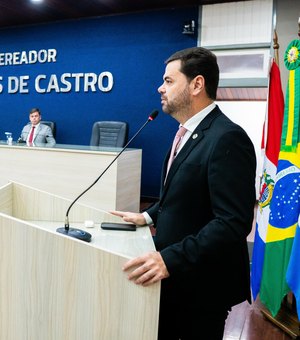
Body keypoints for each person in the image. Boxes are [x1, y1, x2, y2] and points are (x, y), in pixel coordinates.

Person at [111, 47, 256, 339]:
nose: (159, 88)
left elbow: (232, 223)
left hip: (202, 287)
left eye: (168, 81)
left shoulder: (228, 138)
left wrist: (169, 259)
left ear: (197, 84)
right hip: (177, 278)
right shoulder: (185, 132)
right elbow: (183, 193)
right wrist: (147, 216)